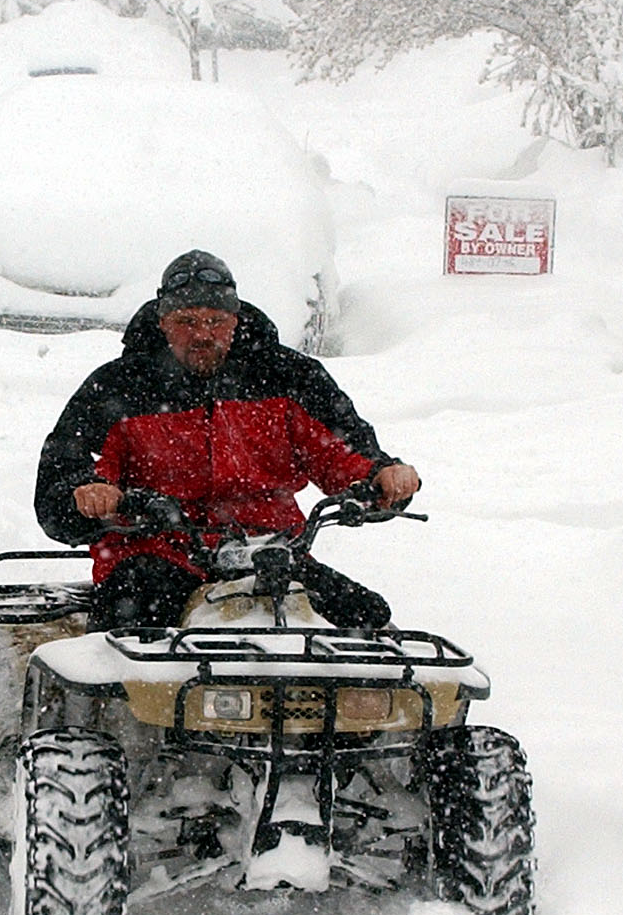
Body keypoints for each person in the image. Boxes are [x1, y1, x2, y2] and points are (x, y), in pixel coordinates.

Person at [35, 250, 421, 630]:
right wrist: (87, 494)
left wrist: (381, 476)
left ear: (235, 320)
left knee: (366, 621)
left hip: (270, 553)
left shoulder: (288, 377)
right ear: (163, 322)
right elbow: (68, 467)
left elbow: (342, 450)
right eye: (186, 321)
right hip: (158, 552)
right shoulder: (120, 387)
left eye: (215, 321)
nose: (202, 334)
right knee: (131, 634)